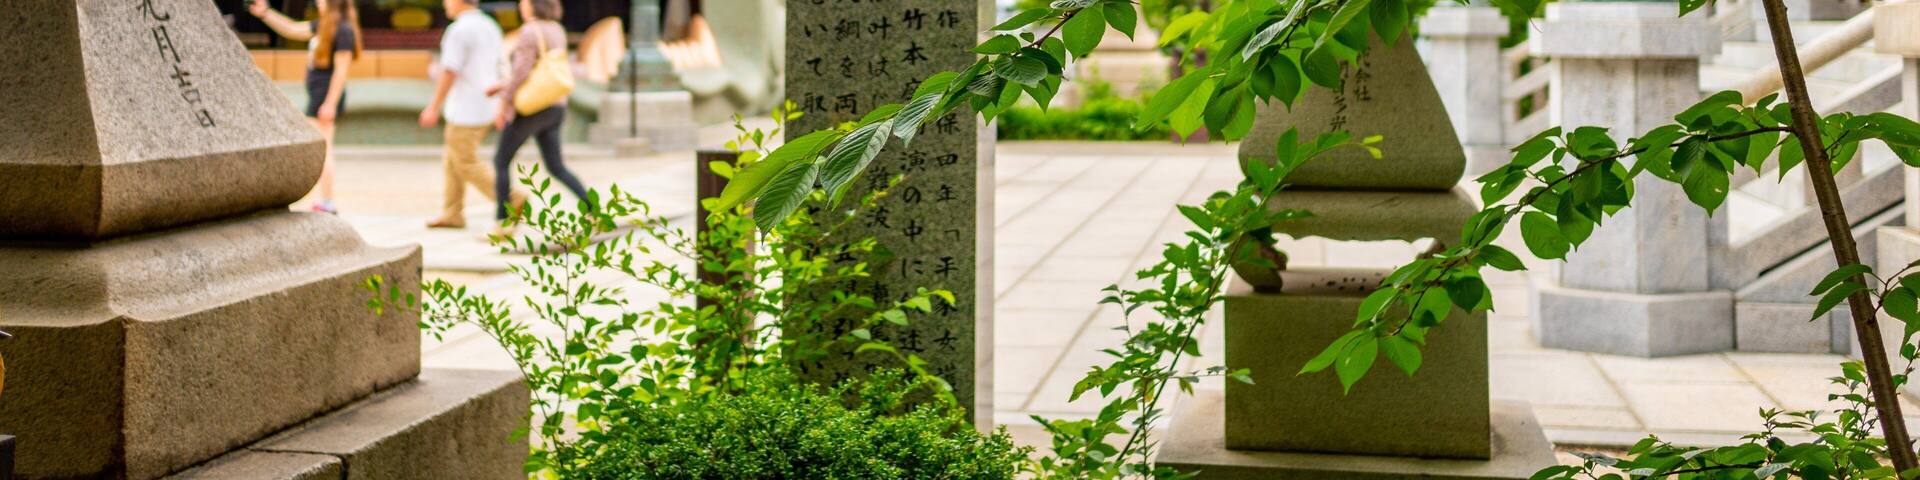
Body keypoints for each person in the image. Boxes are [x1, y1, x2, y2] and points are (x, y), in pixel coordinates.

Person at [489, 0, 592, 236]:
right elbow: (538, 70)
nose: (520, 6)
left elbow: (522, 71)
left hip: (531, 107)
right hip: (554, 104)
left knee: (501, 161)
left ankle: (502, 223)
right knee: (556, 166)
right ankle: (592, 208)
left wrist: (504, 101)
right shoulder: (556, 29)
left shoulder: (529, 31)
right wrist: (502, 87)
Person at [420, 0, 526, 229]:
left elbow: (450, 70)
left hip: (466, 107)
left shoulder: (458, 30)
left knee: (465, 161)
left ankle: (512, 199)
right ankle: (452, 212)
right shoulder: (490, 25)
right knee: (452, 158)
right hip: (488, 101)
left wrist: (433, 106)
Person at [249, 0, 360, 215]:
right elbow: (292, 29)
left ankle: (328, 201)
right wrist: (266, 14)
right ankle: (326, 199)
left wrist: (330, 103)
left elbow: (341, 71)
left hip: (325, 96)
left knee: (323, 149)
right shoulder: (324, 25)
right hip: (318, 94)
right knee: (322, 147)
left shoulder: (344, 30)